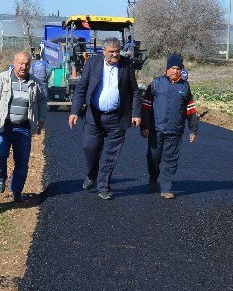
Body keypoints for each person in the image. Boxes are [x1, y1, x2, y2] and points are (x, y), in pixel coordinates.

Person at [68, 37, 142, 200]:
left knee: (110, 154)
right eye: (111, 52)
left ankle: (103, 186)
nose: (115, 54)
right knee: (90, 148)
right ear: (104, 52)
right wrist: (74, 111)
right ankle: (92, 174)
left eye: (117, 51)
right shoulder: (93, 63)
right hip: (94, 116)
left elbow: (134, 91)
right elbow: (81, 88)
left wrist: (136, 113)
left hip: (117, 117)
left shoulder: (126, 64)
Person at [0, 51, 47, 203]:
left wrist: (41, 119)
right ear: (14, 63)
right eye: (20, 63)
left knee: (22, 162)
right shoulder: (1, 79)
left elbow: (43, 100)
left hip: (24, 128)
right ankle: (1, 178)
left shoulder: (35, 83)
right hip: (3, 127)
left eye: (26, 64)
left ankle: (17, 192)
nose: (23, 67)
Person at [141, 54, 198, 199]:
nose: (175, 71)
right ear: (167, 69)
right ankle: (153, 177)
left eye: (178, 68)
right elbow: (146, 105)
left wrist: (193, 129)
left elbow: (190, 109)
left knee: (170, 159)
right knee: (153, 157)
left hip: (175, 129)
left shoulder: (185, 86)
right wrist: (144, 126)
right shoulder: (156, 83)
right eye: (172, 68)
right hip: (156, 128)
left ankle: (166, 188)